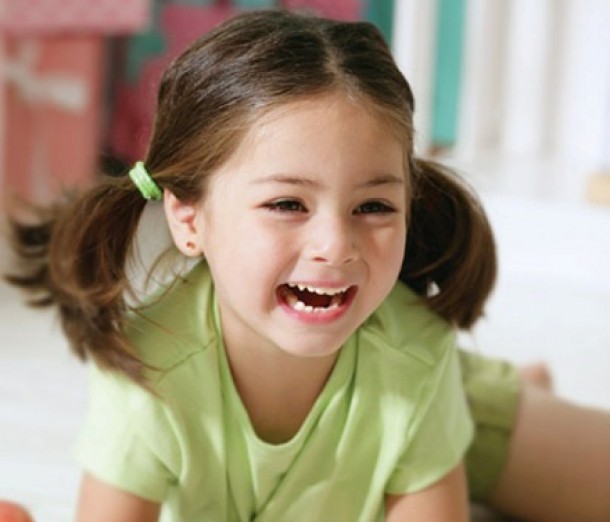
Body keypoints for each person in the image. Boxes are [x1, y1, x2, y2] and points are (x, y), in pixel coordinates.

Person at [4, 9, 610, 522]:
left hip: (438, 406)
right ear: (189, 220)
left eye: (373, 206)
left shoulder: (416, 356)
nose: (335, 245)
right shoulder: (147, 372)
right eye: (287, 204)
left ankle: (501, 397)